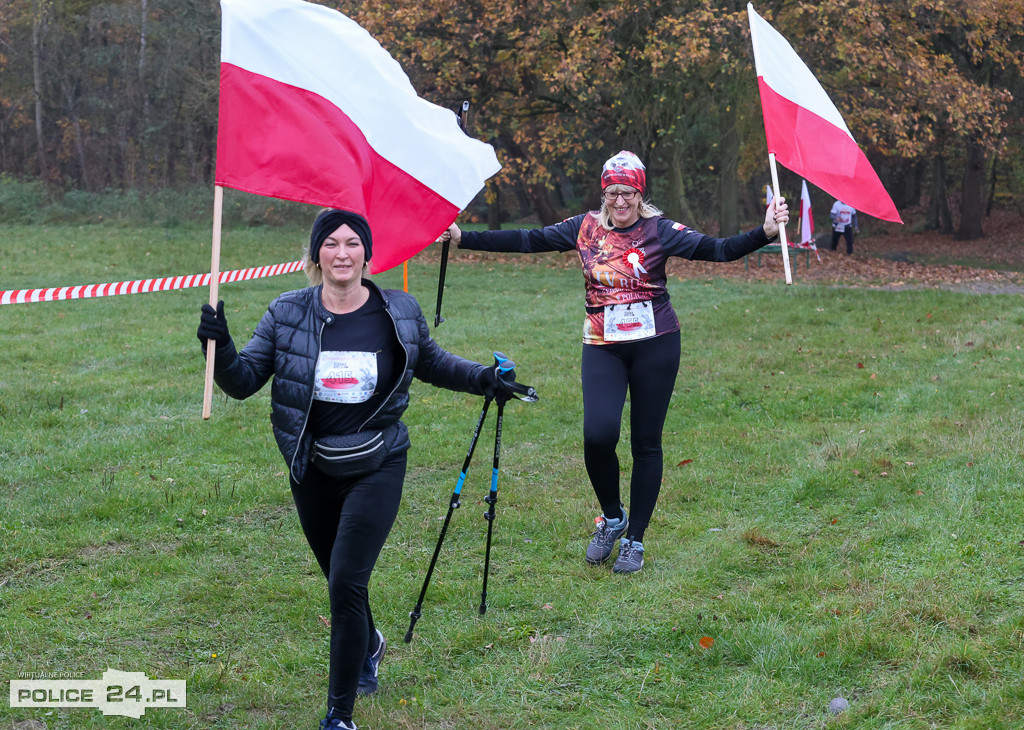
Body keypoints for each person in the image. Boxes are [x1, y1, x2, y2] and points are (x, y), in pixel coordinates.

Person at [196, 209, 518, 730]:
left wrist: (484, 378)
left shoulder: (398, 311)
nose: (341, 253)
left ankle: (339, 716)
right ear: (315, 254)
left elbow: (431, 363)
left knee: (346, 581)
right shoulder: (287, 312)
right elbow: (243, 380)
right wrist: (220, 343)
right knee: (340, 580)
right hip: (312, 466)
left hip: (377, 462)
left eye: (352, 244)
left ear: (367, 254)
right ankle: (370, 642)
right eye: (331, 244)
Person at [443, 151, 789, 574]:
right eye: (612, 193)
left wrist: (765, 232)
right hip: (603, 345)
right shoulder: (584, 227)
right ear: (603, 193)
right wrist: (465, 237)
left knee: (646, 442)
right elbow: (528, 239)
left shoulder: (660, 230)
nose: (620, 202)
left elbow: (718, 250)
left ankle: (635, 540)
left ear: (640, 193)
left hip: (656, 344)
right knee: (598, 436)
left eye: (627, 193)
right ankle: (612, 519)